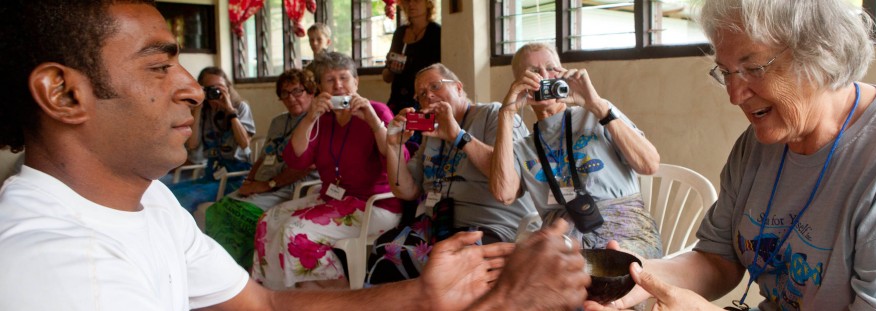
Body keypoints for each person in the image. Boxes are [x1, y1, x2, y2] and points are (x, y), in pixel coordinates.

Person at [0, 1, 590, 310]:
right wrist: (507, 304)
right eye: (159, 66)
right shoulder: (60, 269)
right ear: (64, 93)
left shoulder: (146, 203)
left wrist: (422, 297)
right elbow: (302, 164)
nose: (190, 87)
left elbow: (263, 303)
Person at [585, 0, 876, 310]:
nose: (734, 95)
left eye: (753, 68)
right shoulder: (760, 143)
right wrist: (638, 274)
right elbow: (717, 260)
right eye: (725, 72)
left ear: (821, 57)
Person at [489, 43, 664, 260]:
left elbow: (649, 164)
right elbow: (503, 194)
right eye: (533, 72)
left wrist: (597, 105)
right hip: (563, 245)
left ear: (563, 73)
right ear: (519, 84)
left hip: (624, 235)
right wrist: (506, 113)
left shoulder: (597, 113)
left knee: (600, 272)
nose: (545, 76)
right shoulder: (522, 147)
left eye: (551, 68)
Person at [253, 52, 406, 290]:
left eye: (344, 78)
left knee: (295, 231)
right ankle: (279, 293)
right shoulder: (322, 119)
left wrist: (374, 122)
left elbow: (397, 161)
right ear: (320, 88)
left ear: (356, 82)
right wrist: (310, 117)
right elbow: (297, 159)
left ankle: (339, 297)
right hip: (333, 198)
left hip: (373, 205)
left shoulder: (377, 111)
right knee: (267, 220)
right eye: (329, 80)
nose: (338, 86)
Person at [384, 63, 536, 244]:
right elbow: (406, 190)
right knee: (384, 250)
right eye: (422, 94)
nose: (429, 95)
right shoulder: (432, 131)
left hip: (491, 226)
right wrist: (394, 146)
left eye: (435, 86)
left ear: (458, 87)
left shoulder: (492, 114)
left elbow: (507, 175)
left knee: (442, 263)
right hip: (441, 227)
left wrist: (458, 136)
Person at [204, 69, 321, 270]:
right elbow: (262, 158)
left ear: (311, 92)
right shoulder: (278, 122)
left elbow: (304, 168)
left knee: (241, 214)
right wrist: (249, 182)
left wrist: (266, 185)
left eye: (297, 91)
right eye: (285, 93)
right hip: (263, 185)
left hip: (292, 188)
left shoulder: (319, 122)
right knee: (216, 210)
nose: (291, 98)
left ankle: (249, 270)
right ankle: (222, 269)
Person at [169, 66, 256, 213]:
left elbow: (244, 143)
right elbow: (192, 144)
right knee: (168, 193)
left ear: (228, 88)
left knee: (188, 197)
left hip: (235, 177)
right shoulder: (204, 111)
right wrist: (198, 108)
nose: (215, 92)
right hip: (211, 174)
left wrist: (230, 111)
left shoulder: (240, 107)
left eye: (219, 88)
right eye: (209, 89)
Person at [382, 0, 441, 125]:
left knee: (416, 141)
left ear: (428, 4)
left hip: (422, 102)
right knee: (391, 136)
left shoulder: (436, 32)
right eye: (407, 1)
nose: (411, 5)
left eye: (416, 1)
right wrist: (392, 67)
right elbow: (386, 77)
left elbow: (440, 74)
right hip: (396, 101)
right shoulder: (400, 33)